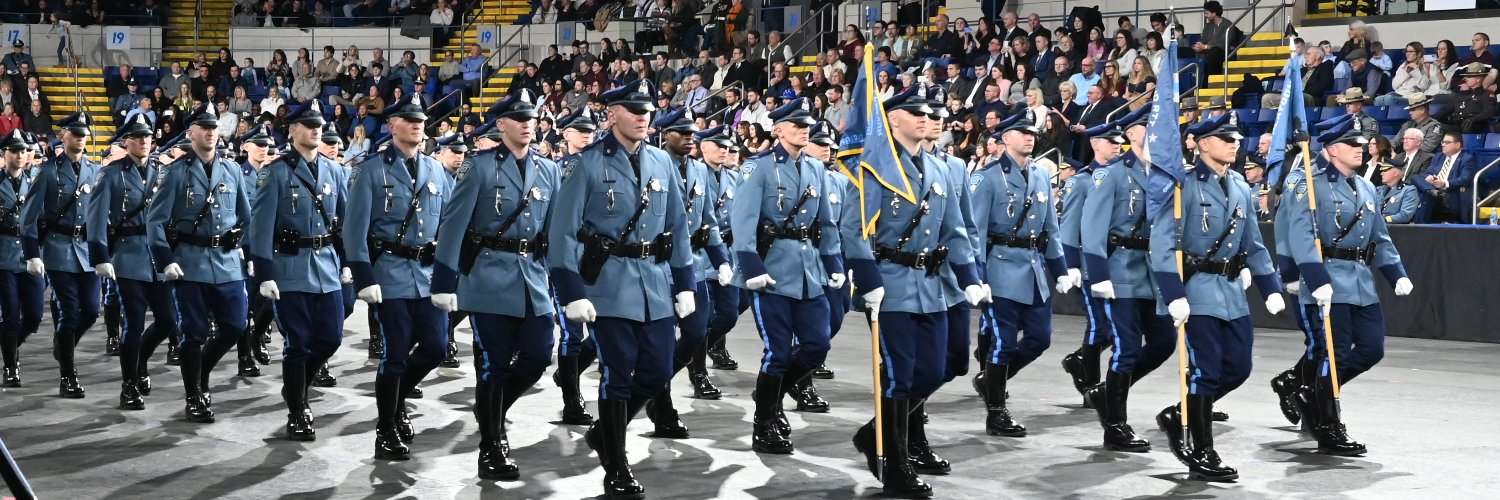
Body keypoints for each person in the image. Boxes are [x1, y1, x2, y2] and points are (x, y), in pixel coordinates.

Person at [546, 79, 696, 499]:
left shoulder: (661, 161)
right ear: (612, 115)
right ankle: (616, 464)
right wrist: (571, 291)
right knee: (617, 372)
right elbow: (562, 234)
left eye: (647, 110)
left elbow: (677, 226)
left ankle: (604, 433)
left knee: (658, 371)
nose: (643, 117)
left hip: (654, 281)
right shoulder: (586, 164)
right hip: (607, 284)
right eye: (633, 110)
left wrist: (685, 282)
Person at [840, 86, 978, 499]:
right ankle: (896, 465)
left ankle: (873, 434)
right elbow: (853, 229)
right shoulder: (873, 167)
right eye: (914, 112)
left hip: (931, 285)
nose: (925, 118)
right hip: (891, 283)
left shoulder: (938, 168)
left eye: (928, 113)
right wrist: (869, 281)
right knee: (899, 376)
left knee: (933, 371)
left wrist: (969, 276)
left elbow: (954, 229)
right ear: (893, 118)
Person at [1149, 112, 1282, 482]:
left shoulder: (1239, 184)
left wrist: (1269, 286)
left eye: (1236, 138)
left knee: (1238, 367)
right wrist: (1173, 292)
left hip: (1230, 291)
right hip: (1196, 290)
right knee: (1206, 370)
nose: (1235, 144)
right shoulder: (1182, 185)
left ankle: (1180, 414)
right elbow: (1163, 244)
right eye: (1226, 139)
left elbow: (1253, 241)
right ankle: (1201, 449)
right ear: (1204, 144)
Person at [428, 91, 553, 479]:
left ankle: (490, 412)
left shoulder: (548, 169)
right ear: (501, 125)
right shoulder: (478, 167)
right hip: (487, 278)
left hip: (532, 279)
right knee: (493, 366)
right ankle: (492, 445)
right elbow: (453, 227)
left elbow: (556, 231)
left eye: (531, 118)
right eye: (519, 118)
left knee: (538, 357)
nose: (527, 124)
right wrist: (444, 282)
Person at [1282, 115, 1413, 458]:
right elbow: (1300, 236)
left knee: (1371, 349)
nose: (1360, 148)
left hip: (1360, 280)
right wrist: (1314, 279)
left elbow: (1379, 236)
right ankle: (1328, 425)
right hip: (1326, 278)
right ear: (1331, 149)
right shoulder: (1309, 186)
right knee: (1333, 353)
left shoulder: (1367, 187)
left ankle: (1311, 393)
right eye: (1352, 144)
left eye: (1362, 143)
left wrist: (1396, 272)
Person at [242, 101, 348, 440]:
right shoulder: (275, 172)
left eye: (319, 124)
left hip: (326, 266)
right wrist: (264, 274)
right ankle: (298, 409)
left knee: (330, 338)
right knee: (298, 342)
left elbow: (343, 222)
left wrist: (347, 262)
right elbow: (260, 227)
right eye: (308, 125)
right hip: (289, 267)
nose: (316, 130)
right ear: (292, 131)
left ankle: (296, 386)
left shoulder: (334, 171)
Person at [145, 102, 252, 423]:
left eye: (214, 128)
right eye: (204, 128)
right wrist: (165, 259)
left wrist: (242, 246)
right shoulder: (176, 172)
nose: (210, 133)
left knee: (235, 325)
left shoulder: (232, 170)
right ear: (191, 133)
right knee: (193, 333)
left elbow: (246, 216)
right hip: (189, 263)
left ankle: (201, 370)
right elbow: (155, 221)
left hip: (227, 262)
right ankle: (194, 395)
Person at [970, 110, 1074, 438]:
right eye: (1023, 133)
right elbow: (975, 233)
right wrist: (977, 277)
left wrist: (1060, 269)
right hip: (1000, 268)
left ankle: (990, 380)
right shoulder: (987, 178)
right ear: (1005, 138)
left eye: (1032, 133)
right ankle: (996, 412)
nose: (1030, 137)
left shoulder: (1041, 174)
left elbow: (1050, 228)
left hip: (1033, 267)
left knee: (1040, 339)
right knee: (1002, 342)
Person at [86, 114, 179, 409]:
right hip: (128, 257)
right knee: (134, 324)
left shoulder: (162, 171)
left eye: (147, 136)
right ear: (126, 141)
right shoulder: (111, 174)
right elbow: (96, 218)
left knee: (168, 320)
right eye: (137, 137)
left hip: (158, 257)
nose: (144, 141)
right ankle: (128, 386)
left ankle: (141, 362)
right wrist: (100, 257)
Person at [19, 112, 101, 398]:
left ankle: (63, 344)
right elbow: (28, 218)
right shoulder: (47, 171)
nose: (80, 138)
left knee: (91, 311)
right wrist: (32, 253)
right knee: (69, 309)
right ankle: (68, 375)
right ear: (62, 136)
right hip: (58, 248)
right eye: (74, 133)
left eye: (83, 134)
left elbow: (101, 215)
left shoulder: (95, 170)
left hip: (86, 249)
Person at [545, 107, 601, 426]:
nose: (587, 135)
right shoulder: (557, 170)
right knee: (570, 333)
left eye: (590, 130)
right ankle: (572, 400)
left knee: (603, 329)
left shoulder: (601, 166)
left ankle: (569, 373)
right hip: (568, 261)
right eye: (580, 130)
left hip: (597, 262)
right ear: (565, 134)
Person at [0, 131, 43, 388]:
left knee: (35, 315)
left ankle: (10, 344)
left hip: (29, 254)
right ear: (4, 154)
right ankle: (10, 366)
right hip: (4, 256)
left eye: (23, 151)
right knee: (10, 316)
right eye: (14, 151)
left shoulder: (34, 182)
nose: (19, 155)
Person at [1413, 131, 1477, 223]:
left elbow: (1465, 178)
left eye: (1447, 142)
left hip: (1449, 191)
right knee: (1415, 177)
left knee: (1424, 196)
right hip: (1434, 188)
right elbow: (1428, 172)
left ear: (1457, 145)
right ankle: (1432, 191)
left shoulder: (1467, 159)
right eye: (1442, 142)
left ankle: (1421, 226)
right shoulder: (1439, 156)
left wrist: (1444, 184)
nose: (1443, 145)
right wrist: (1429, 177)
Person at [1375, 159, 1419, 224]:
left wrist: (1383, 219)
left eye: (1385, 171)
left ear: (1395, 173)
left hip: (1395, 228)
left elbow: (1405, 215)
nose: (1381, 173)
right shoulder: (1380, 189)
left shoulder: (1408, 190)